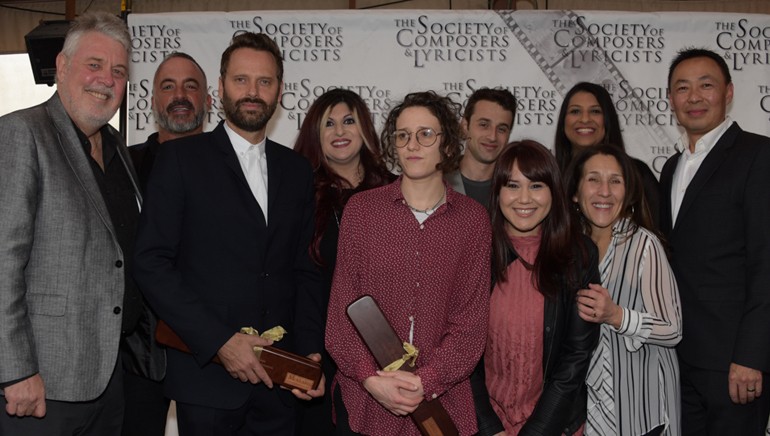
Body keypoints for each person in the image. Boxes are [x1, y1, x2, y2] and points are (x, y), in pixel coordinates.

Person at [133, 32, 324, 436]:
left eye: (264, 82)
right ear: (220, 89)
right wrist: (220, 341)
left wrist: (308, 353)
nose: (252, 92)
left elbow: (304, 270)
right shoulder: (180, 160)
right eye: (241, 80)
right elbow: (151, 262)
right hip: (207, 380)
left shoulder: (296, 170)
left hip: (279, 380)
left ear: (279, 91)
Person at [0, 12, 139, 435]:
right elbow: (3, 262)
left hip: (110, 376)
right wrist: (16, 370)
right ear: (62, 66)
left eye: (118, 71)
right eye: (94, 65)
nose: (106, 80)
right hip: (43, 385)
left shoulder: (118, 147)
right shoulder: (23, 133)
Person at [325, 91, 491, 435]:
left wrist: (425, 382)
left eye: (426, 134)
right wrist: (372, 380)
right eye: (403, 135)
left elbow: (470, 324)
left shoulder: (473, 220)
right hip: (366, 400)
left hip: (440, 403)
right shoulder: (362, 211)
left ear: (447, 145)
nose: (413, 144)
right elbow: (342, 311)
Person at [659, 47, 770, 435]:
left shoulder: (759, 155)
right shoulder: (671, 168)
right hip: (677, 358)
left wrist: (751, 355)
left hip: (733, 364)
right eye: (682, 88)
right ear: (670, 99)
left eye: (706, 85)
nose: (694, 97)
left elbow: (766, 262)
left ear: (728, 92)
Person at [472, 140, 600, 436]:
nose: (524, 199)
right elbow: (462, 350)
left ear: (554, 191)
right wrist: (490, 428)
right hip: (488, 425)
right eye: (513, 186)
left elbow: (577, 354)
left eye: (537, 186)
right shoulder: (477, 251)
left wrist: (538, 431)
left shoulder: (578, 255)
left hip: (555, 424)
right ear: (498, 191)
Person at [292, 88, 393, 435]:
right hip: (322, 348)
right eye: (328, 124)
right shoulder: (300, 195)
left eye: (348, 121)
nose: (339, 132)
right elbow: (300, 281)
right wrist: (308, 352)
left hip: (389, 350)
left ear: (364, 128)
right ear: (315, 136)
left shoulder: (397, 191)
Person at [124, 52, 211, 436]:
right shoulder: (124, 166)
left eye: (191, 86)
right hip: (136, 353)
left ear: (209, 100)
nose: (180, 95)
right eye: (168, 86)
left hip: (213, 347)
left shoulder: (233, 165)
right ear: (153, 100)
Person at [566, 145, 682, 436]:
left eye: (615, 181)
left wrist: (617, 315)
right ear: (575, 193)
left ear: (628, 192)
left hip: (641, 409)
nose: (605, 191)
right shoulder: (568, 248)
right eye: (594, 179)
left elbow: (672, 329)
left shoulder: (643, 244)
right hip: (588, 408)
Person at [553, 82, 660, 227]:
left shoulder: (637, 174)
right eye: (575, 111)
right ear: (563, 122)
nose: (585, 119)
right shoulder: (550, 175)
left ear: (607, 120)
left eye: (595, 111)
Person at [445, 87, 516, 209]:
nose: (492, 137)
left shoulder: (516, 189)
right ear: (465, 126)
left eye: (501, 129)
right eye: (484, 125)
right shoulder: (437, 182)